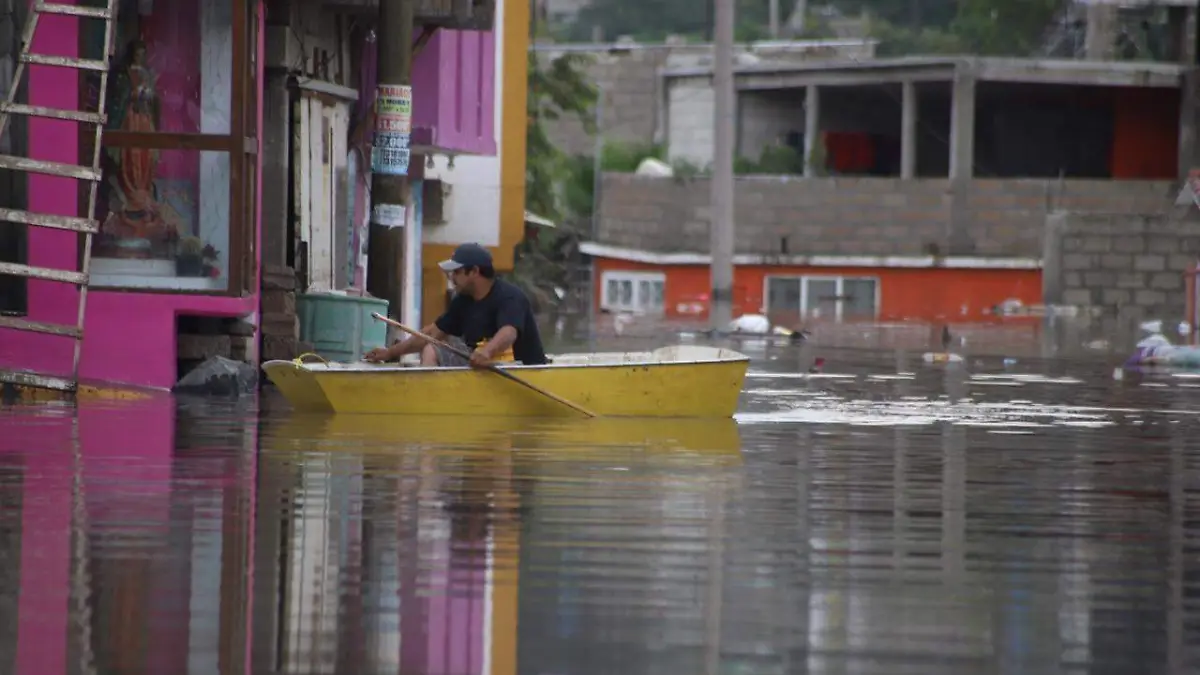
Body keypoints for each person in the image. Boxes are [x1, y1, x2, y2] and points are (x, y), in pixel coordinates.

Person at [363, 243, 549, 368]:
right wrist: (390, 353)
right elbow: (432, 334)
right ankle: (430, 399)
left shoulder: (509, 297)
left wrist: (487, 352)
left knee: (433, 350)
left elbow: (508, 333)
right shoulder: (463, 301)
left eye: (456, 272)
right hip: (481, 367)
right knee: (432, 346)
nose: (451, 278)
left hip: (519, 368)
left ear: (474, 271)